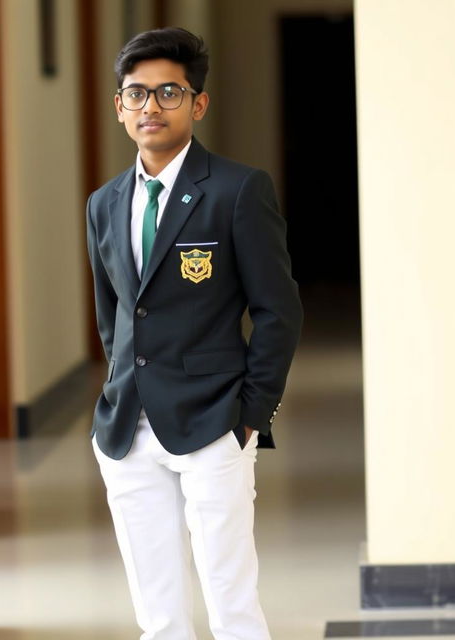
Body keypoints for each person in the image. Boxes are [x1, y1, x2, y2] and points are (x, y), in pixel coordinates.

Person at [85, 26, 303, 640]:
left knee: (230, 598)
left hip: (214, 421)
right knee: (158, 614)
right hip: (127, 428)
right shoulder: (104, 203)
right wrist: (115, 391)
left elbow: (278, 310)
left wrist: (252, 413)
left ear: (198, 104)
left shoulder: (237, 190)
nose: (150, 106)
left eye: (168, 92)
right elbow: (115, 317)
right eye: (136, 94)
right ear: (120, 106)